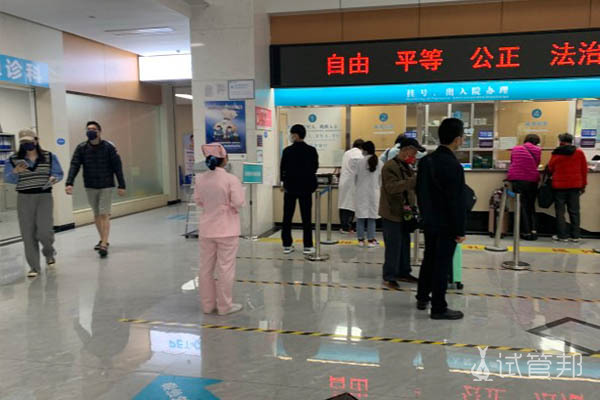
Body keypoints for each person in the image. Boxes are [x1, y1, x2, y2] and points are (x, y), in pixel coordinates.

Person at [416, 118, 467, 320]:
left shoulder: (426, 161)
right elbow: (456, 201)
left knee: (429, 258)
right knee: (442, 264)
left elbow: (420, 192)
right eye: (462, 137)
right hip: (447, 223)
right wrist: (460, 229)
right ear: (457, 139)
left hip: (429, 220)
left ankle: (422, 296)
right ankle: (438, 307)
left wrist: (426, 215)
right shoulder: (454, 165)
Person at [3, 130, 64, 278]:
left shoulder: (49, 156)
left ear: (36, 140)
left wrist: (54, 178)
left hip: (44, 197)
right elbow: (8, 178)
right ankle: (34, 266)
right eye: (23, 142)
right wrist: (15, 172)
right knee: (28, 233)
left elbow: (58, 173)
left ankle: (49, 253)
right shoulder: (13, 159)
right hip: (24, 198)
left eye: (29, 141)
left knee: (44, 231)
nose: (27, 144)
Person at [195, 143, 245, 316]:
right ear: (225, 159)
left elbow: (199, 201)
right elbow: (238, 202)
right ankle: (225, 306)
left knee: (205, 268)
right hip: (227, 229)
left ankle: (207, 306)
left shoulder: (200, 179)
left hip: (206, 229)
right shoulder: (231, 179)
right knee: (225, 268)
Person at [65, 121, 126, 258]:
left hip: (106, 184)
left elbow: (117, 166)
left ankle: (104, 243)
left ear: (99, 131)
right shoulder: (81, 148)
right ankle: (103, 239)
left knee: (104, 214)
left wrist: (121, 185)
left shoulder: (108, 147)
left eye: (93, 129)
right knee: (97, 214)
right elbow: (75, 165)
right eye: (88, 129)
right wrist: (69, 182)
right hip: (90, 185)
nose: (90, 131)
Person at [379, 137, 425, 288]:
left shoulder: (405, 166)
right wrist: (414, 181)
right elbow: (392, 188)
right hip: (391, 213)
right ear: (406, 150)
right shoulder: (390, 166)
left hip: (404, 212)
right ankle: (389, 276)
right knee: (393, 246)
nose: (415, 156)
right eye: (414, 152)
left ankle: (404, 272)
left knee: (404, 245)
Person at [280, 124, 319, 255]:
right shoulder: (311, 150)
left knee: (287, 217)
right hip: (306, 188)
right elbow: (315, 167)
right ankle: (307, 245)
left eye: (292, 134)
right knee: (306, 218)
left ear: (295, 135)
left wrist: (283, 182)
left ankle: (287, 244)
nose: (291, 136)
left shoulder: (287, 151)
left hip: (290, 188)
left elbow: (282, 169)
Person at [548, 133, 588, 243]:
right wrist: (583, 185)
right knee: (574, 211)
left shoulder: (556, 153)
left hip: (559, 186)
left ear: (560, 141)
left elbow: (550, 168)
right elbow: (584, 170)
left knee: (560, 212)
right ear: (571, 141)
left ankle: (562, 236)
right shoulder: (579, 152)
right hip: (575, 186)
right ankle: (576, 236)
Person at [506, 134, 542, 241]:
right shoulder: (538, 150)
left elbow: (513, 162)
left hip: (518, 179)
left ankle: (526, 232)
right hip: (532, 179)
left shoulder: (515, 149)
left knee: (521, 205)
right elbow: (536, 164)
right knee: (531, 205)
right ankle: (533, 230)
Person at [354, 141, 383, 248]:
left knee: (360, 218)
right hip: (374, 193)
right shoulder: (380, 162)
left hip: (361, 193)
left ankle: (360, 240)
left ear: (365, 150)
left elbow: (355, 178)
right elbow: (381, 180)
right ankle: (371, 240)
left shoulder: (360, 162)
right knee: (372, 218)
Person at [338, 139, 364, 234]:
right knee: (350, 205)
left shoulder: (347, 153)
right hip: (352, 183)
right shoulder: (359, 155)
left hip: (344, 181)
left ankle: (344, 226)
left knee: (343, 204)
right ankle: (347, 227)